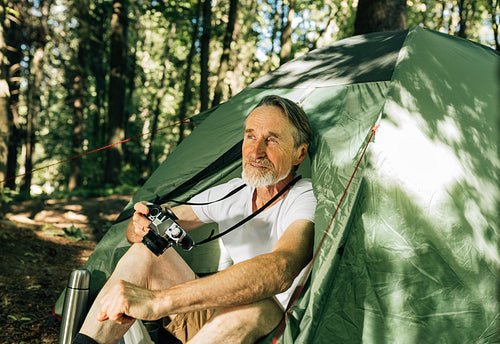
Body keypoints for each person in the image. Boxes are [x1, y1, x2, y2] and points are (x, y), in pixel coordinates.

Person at [73, 95, 317, 344]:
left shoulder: (305, 196)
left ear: (300, 154)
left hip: (278, 330)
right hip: (221, 320)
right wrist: (139, 225)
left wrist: (160, 301)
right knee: (145, 251)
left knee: (255, 305)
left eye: (272, 140)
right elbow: (159, 221)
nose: (256, 151)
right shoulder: (234, 190)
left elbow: (281, 269)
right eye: (251, 136)